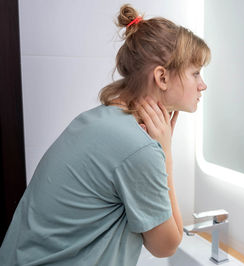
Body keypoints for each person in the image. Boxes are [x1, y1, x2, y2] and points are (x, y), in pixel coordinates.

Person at [0, 4, 210, 265]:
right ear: (162, 78)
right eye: (196, 72)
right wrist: (165, 153)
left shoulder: (100, 120)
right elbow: (167, 245)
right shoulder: (138, 146)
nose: (203, 84)